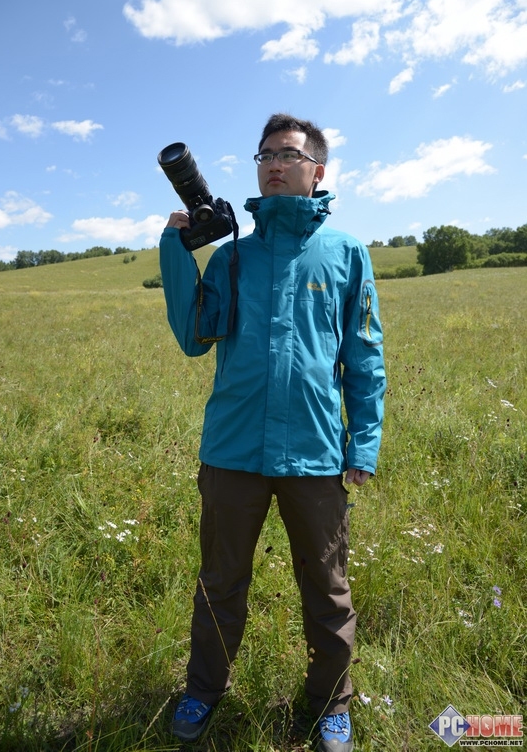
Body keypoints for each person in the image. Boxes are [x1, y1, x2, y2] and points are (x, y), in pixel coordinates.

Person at [159, 113, 386, 752]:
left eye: (286, 154)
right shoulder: (233, 256)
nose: (272, 164)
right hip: (232, 450)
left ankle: (331, 704)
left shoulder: (346, 254)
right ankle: (203, 691)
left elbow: (365, 357)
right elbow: (193, 338)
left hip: (316, 452)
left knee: (327, 585)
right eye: (263, 155)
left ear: (317, 171)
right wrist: (178, 253)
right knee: (219, 582)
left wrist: (362, 443)